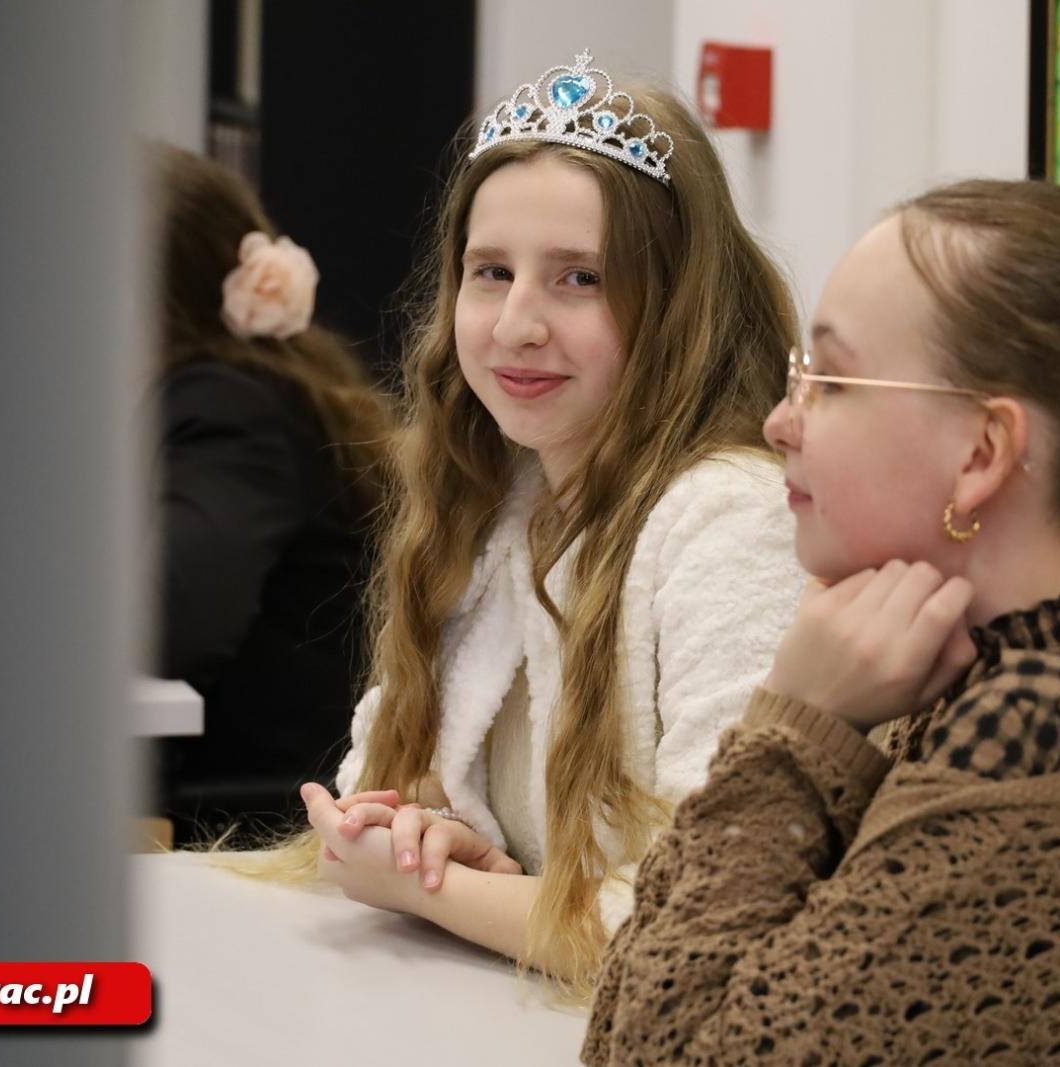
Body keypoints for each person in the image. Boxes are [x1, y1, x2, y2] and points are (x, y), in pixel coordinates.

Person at [584, 178, 1060, 1062]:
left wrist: (791, 731)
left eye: (832, 382)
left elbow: (644, 1048)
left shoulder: (1021, 750)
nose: (779, 421)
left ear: (981, 453)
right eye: (797, 378)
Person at [287, 52, 805, 992]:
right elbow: (379, 802)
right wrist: (439, 842)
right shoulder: (502, 501)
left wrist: (424, 887)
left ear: (679, 308)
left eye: (580, 279)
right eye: (491, 272)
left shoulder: (734, 519)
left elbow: (705, 927)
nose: (516, 323)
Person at [150, 144, 393, 841]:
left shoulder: (227, 403)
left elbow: (167, 621)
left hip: (248, 809)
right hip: (261, 787)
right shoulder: (263, 386)